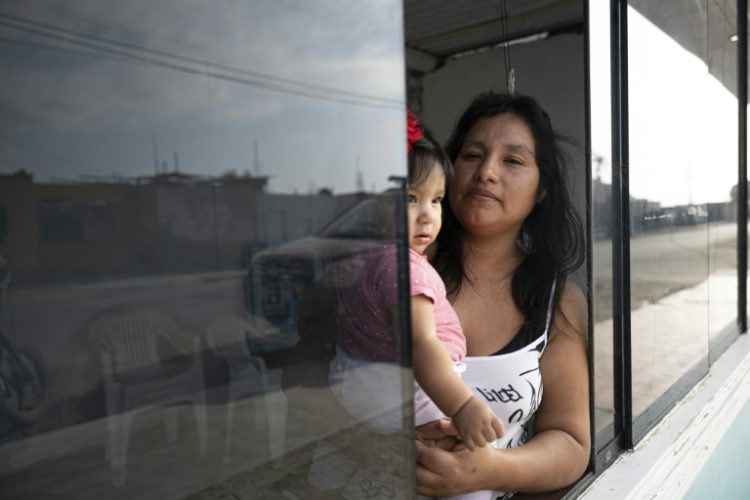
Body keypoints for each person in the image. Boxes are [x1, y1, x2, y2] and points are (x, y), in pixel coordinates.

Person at [415, 92, 589, 499]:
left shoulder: (556, 300)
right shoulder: (394, 273)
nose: (486, 172)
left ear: (542, 188)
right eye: (472, 155)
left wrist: (490, 470)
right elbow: (307, 379)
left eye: (513, 160)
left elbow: (571, 442)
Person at [329, 112, 503, 451]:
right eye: (410, 198)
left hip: (358, 382)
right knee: (477, 455)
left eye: (436, 200)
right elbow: (421, 343)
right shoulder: (406, 269)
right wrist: (463, 406)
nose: (428, 215)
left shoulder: (356, 256)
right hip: (414, 390)